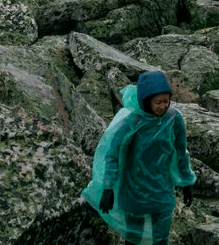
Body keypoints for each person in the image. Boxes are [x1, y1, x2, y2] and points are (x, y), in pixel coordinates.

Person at [83, 69, 196, 245]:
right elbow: (112, 153)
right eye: (158, 102)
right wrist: (108, 187)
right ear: (146, 101)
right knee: (133, 238)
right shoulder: (133, 121)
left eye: (166, 101)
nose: (163, 106)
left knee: (161, 238)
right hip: (135, 190)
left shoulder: (174, 118)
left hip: (162, 189)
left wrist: (187, 182)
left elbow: (181, 152)